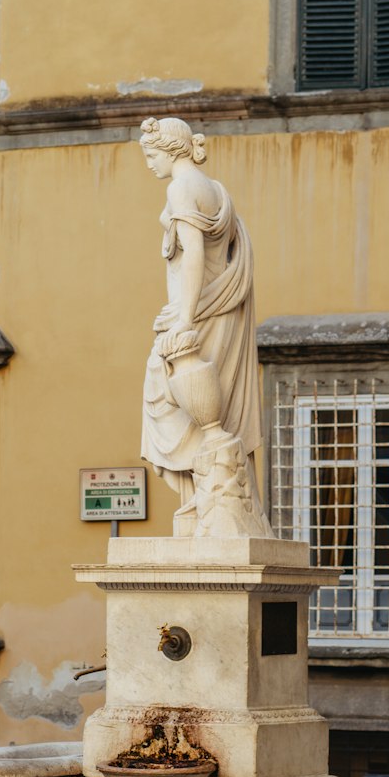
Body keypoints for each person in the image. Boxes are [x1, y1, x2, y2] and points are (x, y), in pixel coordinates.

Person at [139, 116, 269, 535]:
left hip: (202, 309)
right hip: (220, 310)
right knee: (217, 410)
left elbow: (193, 253)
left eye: (152, 154)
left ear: (173, 151)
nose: (149, 163)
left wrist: (184, 316)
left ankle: (205, 504)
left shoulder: (182, 187)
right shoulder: (217, 190)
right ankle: (208, 505)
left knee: (171, 390)